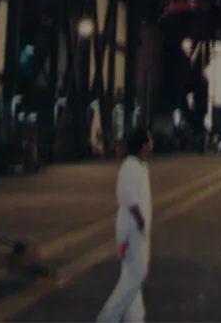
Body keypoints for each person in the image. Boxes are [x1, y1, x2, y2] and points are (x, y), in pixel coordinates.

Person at [97, 128, 152, 322]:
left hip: (137, 230)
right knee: (136, 274)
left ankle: (135, 318)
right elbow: (130, 199)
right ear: (143, 144)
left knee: (132, 275)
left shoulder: (139, 165)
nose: (152, 143)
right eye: (150, 139)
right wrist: (141, 221)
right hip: (131, 230)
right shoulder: (130, 166)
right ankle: (107, 318)